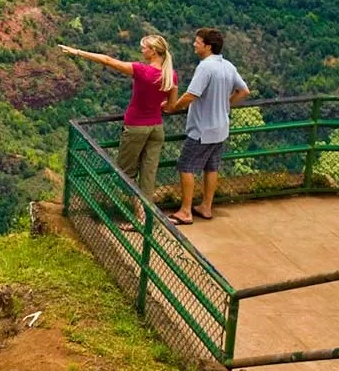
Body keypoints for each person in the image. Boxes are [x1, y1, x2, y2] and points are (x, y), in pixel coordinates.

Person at [60, 36, 177, 219]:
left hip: (136, 127)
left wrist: (77, 52)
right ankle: (148, 215)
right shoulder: (170, 75)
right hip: (156, 128)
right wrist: (156, 105)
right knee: (148, 174)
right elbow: (171, 106)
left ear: (153, 51)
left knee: (125, 173)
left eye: (144, 48)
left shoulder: (142, 71)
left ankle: (140, 217)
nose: (141, 51)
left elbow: (107, 60)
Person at [163, 28, 251, 225]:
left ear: (208, 46)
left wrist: (172, 107)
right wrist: (225, 105)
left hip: (202, 129)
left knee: (185, 166)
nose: (194, 44)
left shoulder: (205, 67)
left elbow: (191, 95)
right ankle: (206, 206)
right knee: (211, 167)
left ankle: (185, 211)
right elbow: (244, 91)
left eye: (198, 42)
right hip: (221, 127)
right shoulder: (228, 66)